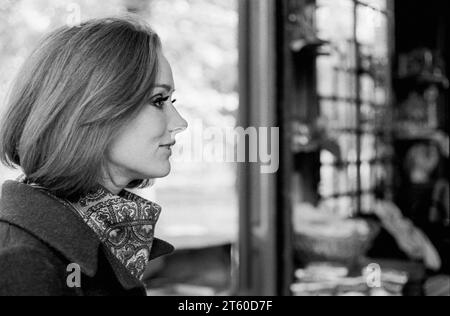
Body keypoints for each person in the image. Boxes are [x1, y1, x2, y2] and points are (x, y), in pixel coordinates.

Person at [0, 17, 188, 296]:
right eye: (158, 100)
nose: (180, 122)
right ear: (92, 110)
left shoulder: (93, 230)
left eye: (172, 101)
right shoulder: (22, 262)